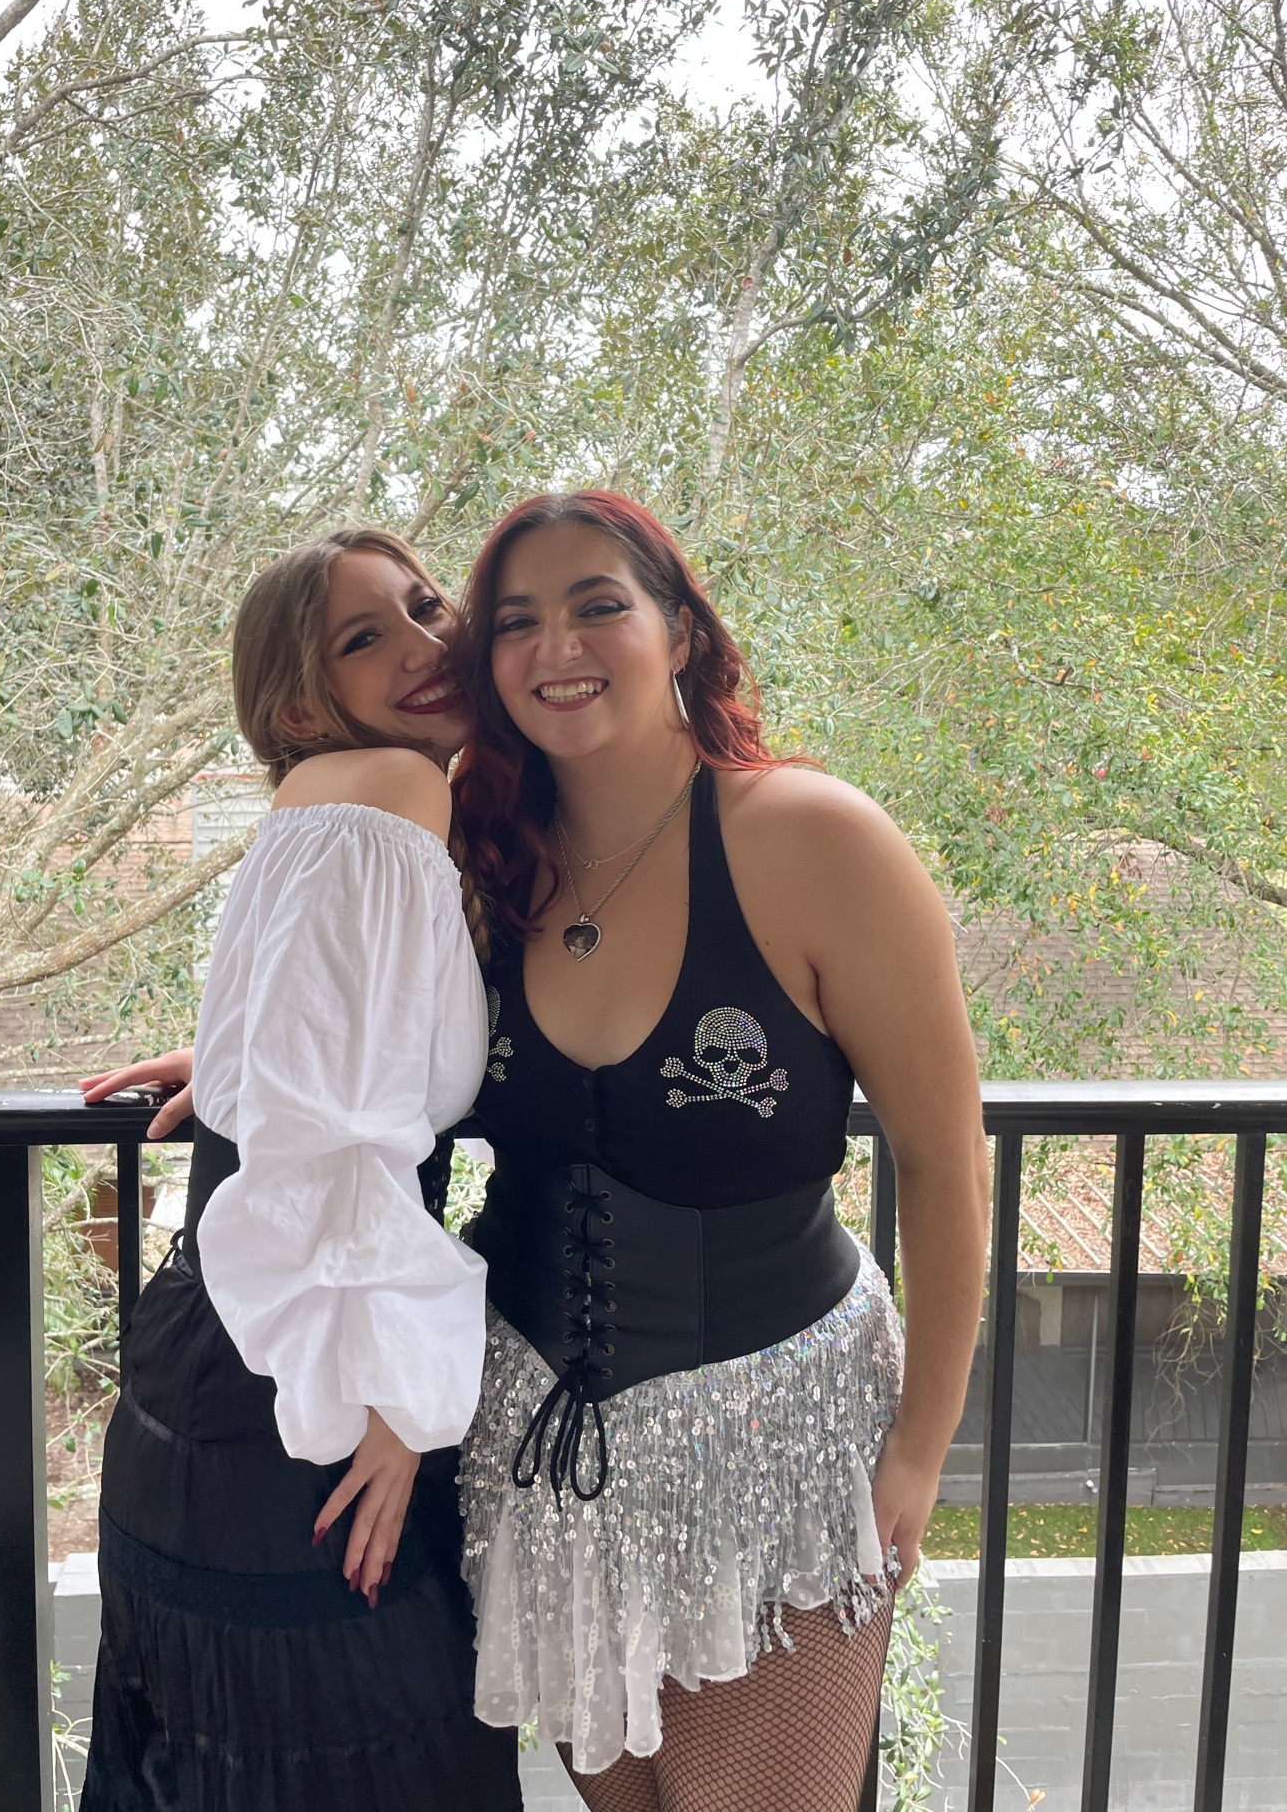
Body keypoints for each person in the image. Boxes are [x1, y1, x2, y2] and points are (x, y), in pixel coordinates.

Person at [449, 491, 988, 1812]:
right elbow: (363, 1051)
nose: (556, 646)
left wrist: (920, 1447)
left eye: (598, 606)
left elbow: (943, 1156)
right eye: (516, 621)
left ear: (680, 633)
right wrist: (241, 1077)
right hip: (538, 1458)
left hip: (778, 1453)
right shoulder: (483, 862)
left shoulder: (814, 840)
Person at [77, 527, 522, 1812]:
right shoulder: (394, 791)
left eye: (427, 607)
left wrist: (227, 1075)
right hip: (305, 1378)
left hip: (221, 1356)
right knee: (369, 1739)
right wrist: (392, 1404)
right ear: (295, 701)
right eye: (364, 638)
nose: (426, 647)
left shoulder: (335, 795)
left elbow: (316, 1047)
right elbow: (339, 1134)